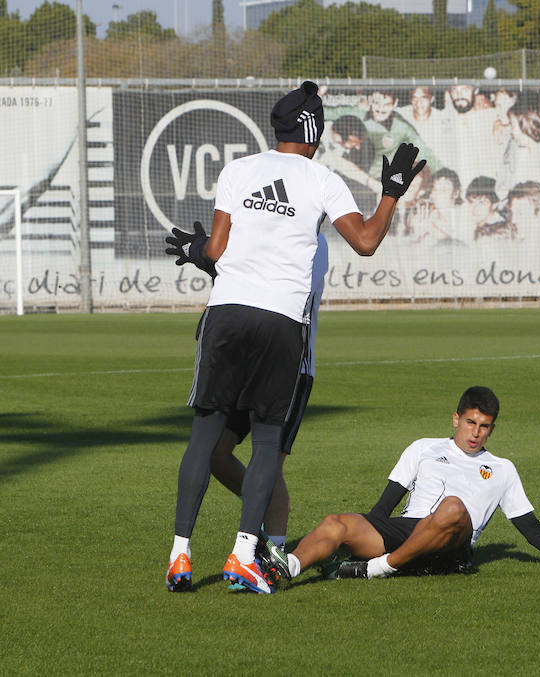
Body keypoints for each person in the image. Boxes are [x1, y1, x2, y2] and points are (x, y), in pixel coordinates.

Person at [164, 81, 426, 595]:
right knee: (266, 446)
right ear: (316, 130)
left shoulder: (238, 170)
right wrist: (392, 193)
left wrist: (200, 252)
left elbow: (216, 251)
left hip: (225, 314)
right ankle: (244, 555)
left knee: (203, 439)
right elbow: (368, 241)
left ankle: (179, 554)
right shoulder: (322, 179)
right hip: (281, 322)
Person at [264, 386, 540, 583]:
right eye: (470, 423)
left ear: (492, 428)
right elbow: (383, 510)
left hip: (453, 543)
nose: (476, 433)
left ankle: (377, 569)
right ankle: (286, 568)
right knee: (336, 521)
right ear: (455, 419)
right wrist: (351, 536)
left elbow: (532, 530)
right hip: (408, 530)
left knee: (452, 506)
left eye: (484, 426)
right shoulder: (422, 448)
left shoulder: (502, 468)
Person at [165, 227, 328, 582]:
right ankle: (254, 527)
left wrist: (210, 260)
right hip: (243, 356)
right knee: (216, 453)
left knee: (271, 462)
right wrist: (208, 259)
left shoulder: (313, 242)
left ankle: (273, 552)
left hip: (290, 365)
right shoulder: (261, 222)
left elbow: (286, 290)